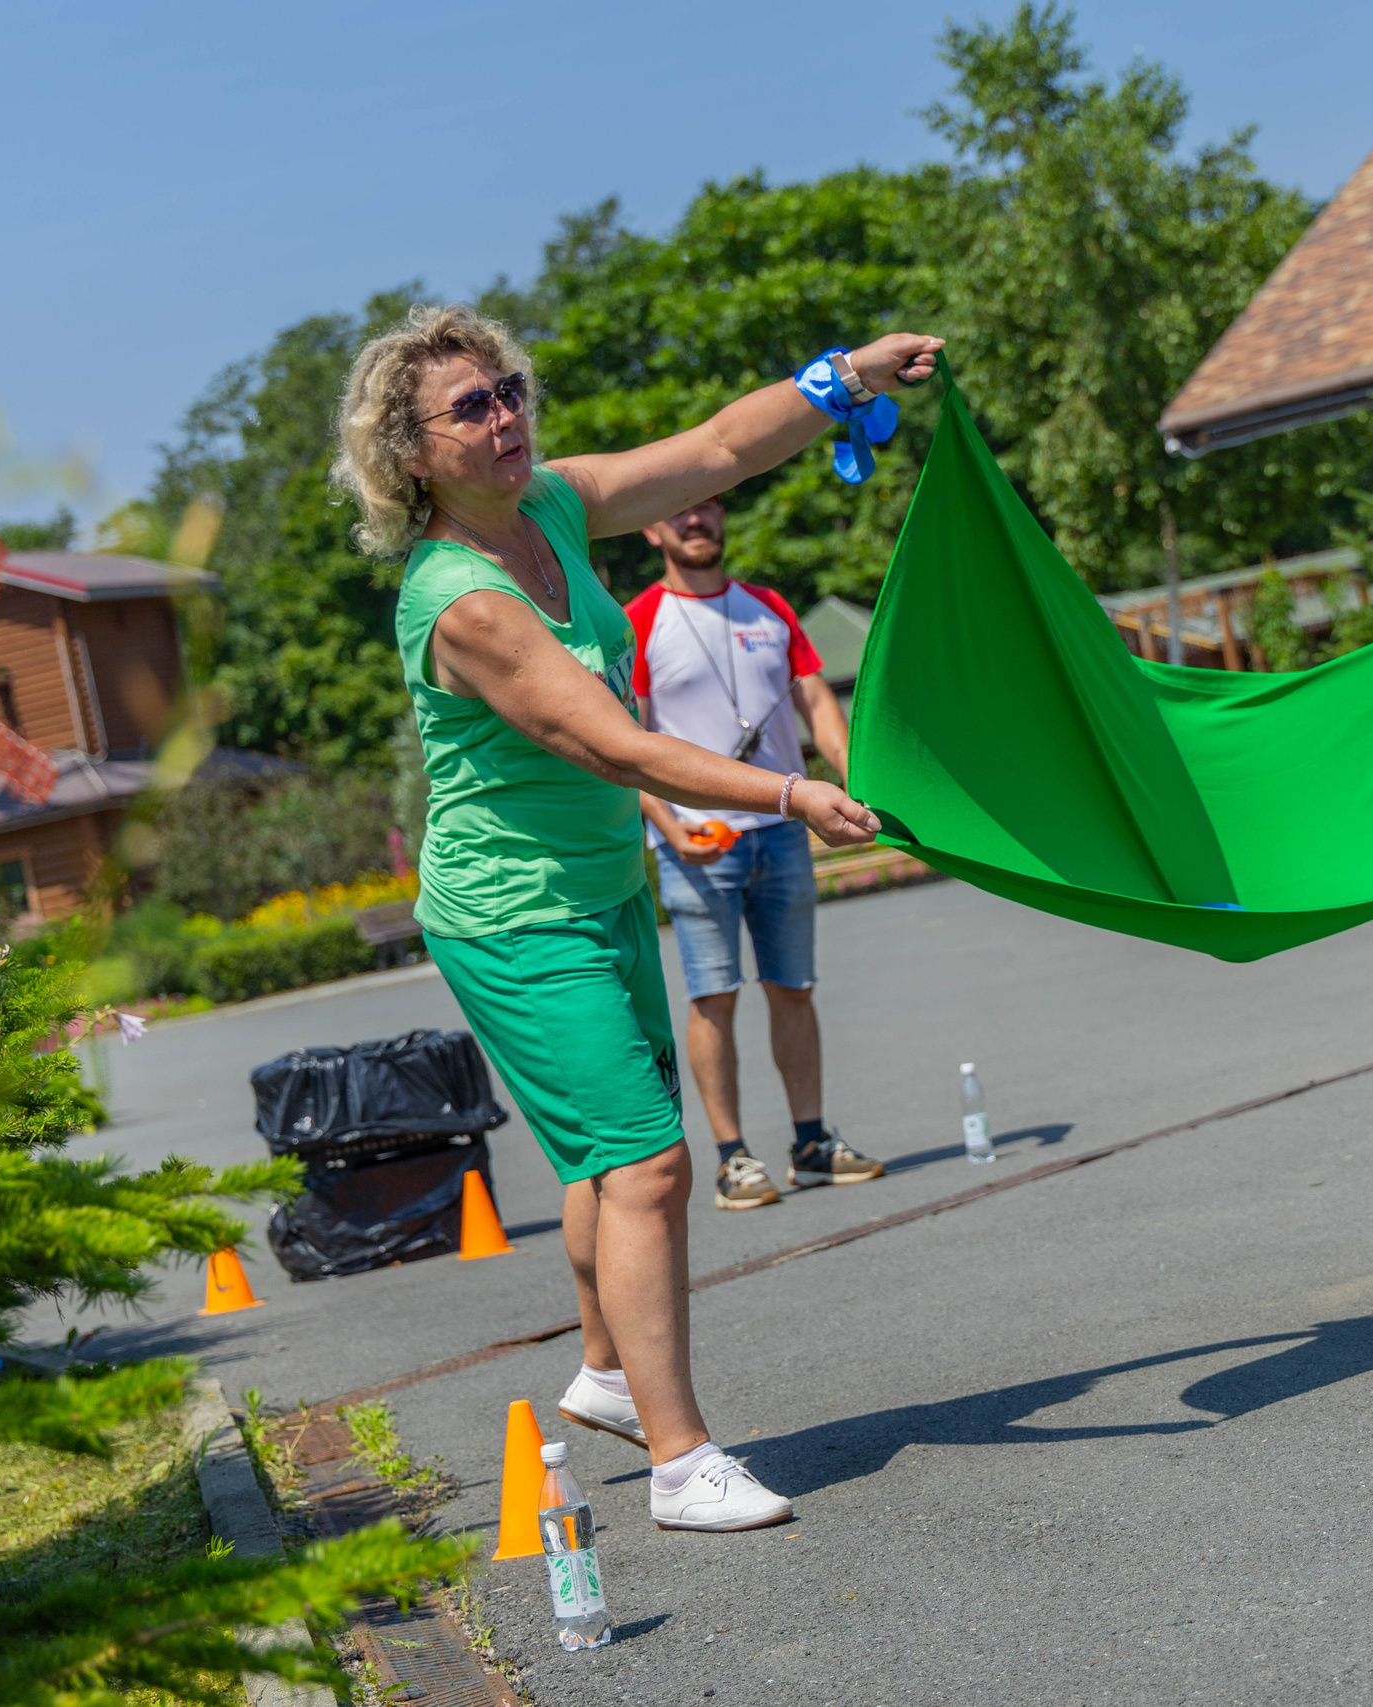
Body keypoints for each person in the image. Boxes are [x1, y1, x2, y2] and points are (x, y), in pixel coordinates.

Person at [333, 305, 941, 1530]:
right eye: (471, 407)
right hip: (514, 920)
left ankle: (607, 1376)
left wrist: (838, 380)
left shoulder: (550, 503)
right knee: (650, 1167)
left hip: (599, 893)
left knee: (614, 1159)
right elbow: (614, 744)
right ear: (409, 457)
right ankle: (678, 1464)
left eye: (507, 389)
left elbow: (715, 447)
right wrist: (788, 790)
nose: (505, 417)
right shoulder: (461, 600)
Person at [624, 499, 885, 1211]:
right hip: (698, 840)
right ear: (652, 529)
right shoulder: (638, 620)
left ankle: (811, 1143)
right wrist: (669, 828)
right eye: (676, 509)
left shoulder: (769, 606)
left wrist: (852, 776)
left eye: (707, 503)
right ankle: (732, 1157)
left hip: (780, 827)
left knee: (793, 984)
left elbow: (817, 703)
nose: (694, 519)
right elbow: (625, 741)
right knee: (714, 994)